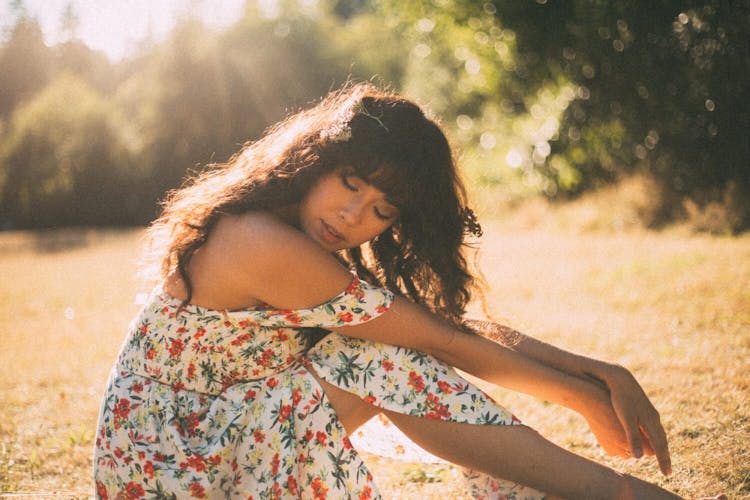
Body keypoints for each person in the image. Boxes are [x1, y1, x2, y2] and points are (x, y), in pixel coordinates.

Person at [93, 82, 683, 499]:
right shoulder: (257, 240)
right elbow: (434, 342)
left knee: (383, 348)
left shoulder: (289, 236)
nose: (352, 216)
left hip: (209, 440)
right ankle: (605, 492)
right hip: (171, 466)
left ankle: (599, 492)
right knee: (384, 358)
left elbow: (436, 327)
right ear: (316, 159)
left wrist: (598, 372)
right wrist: (580, 396)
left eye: (381, 209)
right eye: (349, 183)